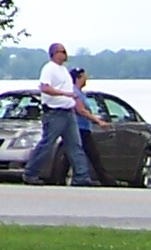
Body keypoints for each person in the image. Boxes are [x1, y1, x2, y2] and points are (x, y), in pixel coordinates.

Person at [23, 42, 96, 186]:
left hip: (68, 113)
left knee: (75, 145)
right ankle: (31, 172)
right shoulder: (49, 69)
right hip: (54, 113)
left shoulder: (63, 70)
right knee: (47, 144)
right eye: (62, 51)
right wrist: (65, 94)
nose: (65, 54)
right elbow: (44, 88)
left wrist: (73, 100)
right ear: (54, 53)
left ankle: (81, 177)